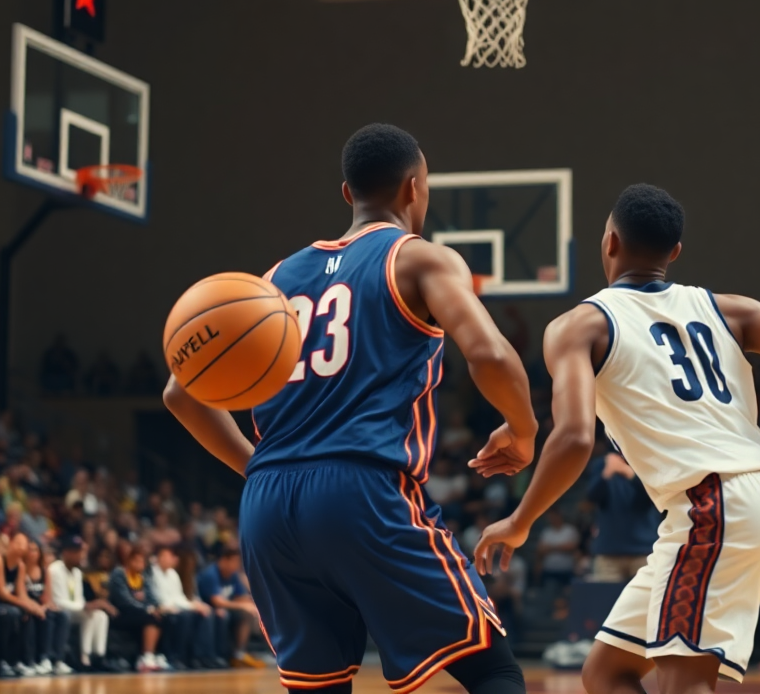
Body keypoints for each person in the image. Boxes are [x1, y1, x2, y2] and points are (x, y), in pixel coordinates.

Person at [165, 123, 537, 694]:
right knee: (491, 668)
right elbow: (488, 353)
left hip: (267, 506)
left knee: (319, 687)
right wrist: (523, 428)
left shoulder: (271, 282)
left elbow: (178, 395)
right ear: (415, 188)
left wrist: (257, 466)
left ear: (347, 194)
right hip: (364, 489)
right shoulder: (420, 260)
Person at [474, 183, 760, 694]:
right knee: (606, 672)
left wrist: (519, 520)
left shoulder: (577, 326)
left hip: (714, 509)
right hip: (744, 506)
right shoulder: (728, 309)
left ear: (609, 241)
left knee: (682, 684)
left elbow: (574, 438)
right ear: (675, 253)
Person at [584, 451, 660, 583]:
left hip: (644, 550)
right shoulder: (603, 463)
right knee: (605, 601)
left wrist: (629, 473)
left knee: (646, 602)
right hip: (609, 551)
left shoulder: (648, 460)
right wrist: (606, 473)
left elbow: (655, 497)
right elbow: (592, 497)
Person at [0, 531, 45, 678]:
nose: (21, 547)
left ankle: (21, 661)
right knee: (12, 613)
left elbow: (21, 593)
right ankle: (2, 661)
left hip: (5, 605)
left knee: (26, 614)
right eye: (18, 542)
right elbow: (1, 593)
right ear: (10, 544)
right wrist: (25, 605)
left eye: (24, 544)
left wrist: (34, 607)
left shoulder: (20, 566)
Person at [49, 537, 117, 672]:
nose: (82, 556)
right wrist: (85, 606)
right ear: (67, 552)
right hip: (60, 610)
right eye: (78, 552)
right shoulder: (54, 569)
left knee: (100, 615)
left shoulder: (77, 572)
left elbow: (79, 599)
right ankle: (84, 657)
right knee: (90, 614)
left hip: (74, 610)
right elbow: (58, 601)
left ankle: (98, 656)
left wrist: (87, 606)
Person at [151, 544, 218, 670]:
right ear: (159, 557)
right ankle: (177, 657)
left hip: (177, 607)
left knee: (205, 614)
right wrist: (191, 606)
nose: (171, 559)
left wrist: (195, 605)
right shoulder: (153, 573)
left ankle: (203, 656)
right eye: (167, 556)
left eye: (171, 556)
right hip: (164, 609)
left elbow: (179, 597)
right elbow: (163, 600)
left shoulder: (172, 574)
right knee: (185, 616)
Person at [195, 548, 263, 668]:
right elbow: (217, 602)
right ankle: (216, 656)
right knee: (225, 614)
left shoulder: (233, 575)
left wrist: (251, 604)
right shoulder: (211, 574)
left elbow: (241, 596)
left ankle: (239, 653)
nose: (236, 566)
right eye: (234, 562)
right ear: (224, 560)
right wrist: (243, 605)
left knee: (247, 613)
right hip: (209, 608)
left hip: (225, 608)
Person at [109, 546, 168, 672]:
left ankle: (157, 655)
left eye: (142, 561)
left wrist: (158, 606)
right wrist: (146, 608)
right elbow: (124, 600)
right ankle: (146, 657)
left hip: (138, 611)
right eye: (136, 561)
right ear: (129, 561)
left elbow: (152, 597)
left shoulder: (142, 577)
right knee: (150, 617)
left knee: (163, 616)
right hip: (121, 613)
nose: (140, 564)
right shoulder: (119, 574)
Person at [23, 538, 72, 674]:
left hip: (41, 607)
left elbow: (47, 597)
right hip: (26, 605)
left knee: (62, 615)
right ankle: (43, 658)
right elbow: (21, 594)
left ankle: (57, 660)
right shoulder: (21, 569)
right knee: (46, 617)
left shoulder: (45, 571)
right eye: (30, 550)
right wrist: (36, 608)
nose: (32, 553)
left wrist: (44, 606)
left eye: (35, 550)